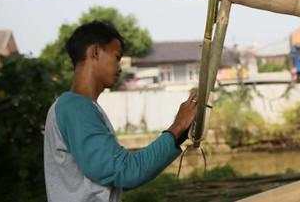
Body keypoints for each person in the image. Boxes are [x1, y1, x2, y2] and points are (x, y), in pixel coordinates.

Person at [43, 21, 199, 201]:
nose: (119, 67)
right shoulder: (75, 108)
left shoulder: (80, 107)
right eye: (116, 57)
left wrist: (179, 134)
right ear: (95, 52)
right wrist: (178, 126)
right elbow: (125, 171)